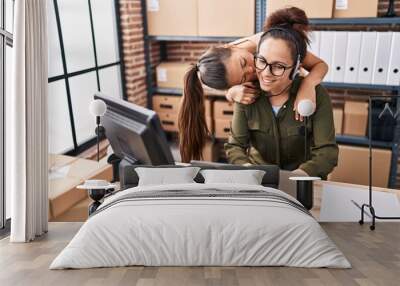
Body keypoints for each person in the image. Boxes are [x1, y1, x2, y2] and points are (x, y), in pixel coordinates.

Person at [179, 7, 328, 163]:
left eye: (243, 62)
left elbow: (320, 65)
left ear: (230, 47)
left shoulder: (271, 42)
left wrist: (307, 85)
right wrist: (231, 93)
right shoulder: (230, 68)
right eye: (244, 78)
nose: (252, 70)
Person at [224, 10, 338, 179]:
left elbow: (327, 153)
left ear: (296, 67)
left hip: (301, 179)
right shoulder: (245, 94)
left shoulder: (318, 96)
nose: (266, 73)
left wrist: (298, 177)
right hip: (259, 181)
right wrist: (247, 170)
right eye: (261, 61)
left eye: (278, 66)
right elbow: (235, 146)